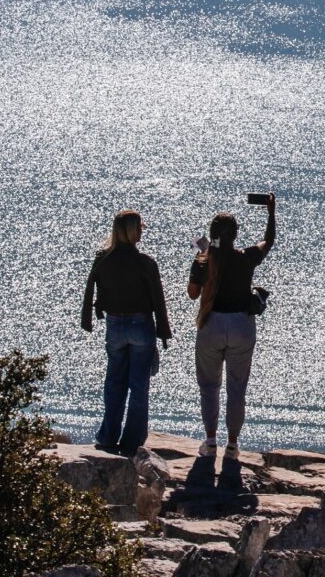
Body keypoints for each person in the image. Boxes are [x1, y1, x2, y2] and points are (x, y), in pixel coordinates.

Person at [188, 193, 277, 457]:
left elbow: (193, 293)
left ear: (212, 234)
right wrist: (271, 213)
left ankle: (211, 440)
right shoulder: (246, 256)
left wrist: (201, 259)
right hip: (241, 325)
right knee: (237, 388)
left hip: (211, 324)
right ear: (236, 234)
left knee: (209, 387)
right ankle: (233, 445)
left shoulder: (204, 258)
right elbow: (268, 241)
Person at [80, 209, 172, 455]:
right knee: (139, 385)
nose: (143, 229)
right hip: (141, 325)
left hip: (115, 326)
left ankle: (108, 436)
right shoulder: (145, 262)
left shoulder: (103, 258)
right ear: (133, 230)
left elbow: (93, 288)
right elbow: (158, 300)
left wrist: (92, 313)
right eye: (140, 226)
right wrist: (163, 330)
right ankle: (132, 441)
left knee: (114, 382)